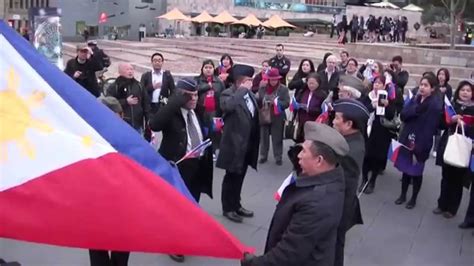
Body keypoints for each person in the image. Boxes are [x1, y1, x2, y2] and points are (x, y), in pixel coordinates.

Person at [241, 122, 349, 266]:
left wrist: (255, 263)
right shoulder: (330, 177)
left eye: (303, 151)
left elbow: (289, 252)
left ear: (319, 161)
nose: (299, 155)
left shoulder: (317, 201)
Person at [89, 96, 130, 266]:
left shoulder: (130, 136)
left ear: (121, 114)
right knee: (97, 244)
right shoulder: (87, 135)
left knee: (122, 244)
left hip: (123, 199)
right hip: (96, 199)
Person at [216, 64, 260, 224]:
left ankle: (237, 204)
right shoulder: (228, 93)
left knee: (240, 176)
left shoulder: (250, 95)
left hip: (247, 143)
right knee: (231, 177)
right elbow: (227, 107)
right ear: (240, 82)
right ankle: (228, 208)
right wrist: (242, 90)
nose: (251, 82)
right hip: (234, 143)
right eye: (249, 80)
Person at [394, 74, 443, 209]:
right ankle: (403, 194)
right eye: (421, 84)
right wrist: (415, 110)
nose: (422, 87)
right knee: (405, 170)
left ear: (432, 89)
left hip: (421, 143)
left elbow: (430, 128)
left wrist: (418, 147)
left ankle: (413, 198)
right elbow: (404, 115)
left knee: (416, 172)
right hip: (407, 137)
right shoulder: (415, 98)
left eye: (426, 85)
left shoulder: (435, 105)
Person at [332, 99, 370, 266]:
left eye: (337, 118)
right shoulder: (349, 139)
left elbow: (337, 183)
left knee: (334, 245)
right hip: (339, 204)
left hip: (338, 207)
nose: (333, 121)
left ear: (348, 124)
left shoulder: (349, 151)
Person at [434, 80, 474, 219]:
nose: (465, 93)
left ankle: (452, 208)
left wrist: (465, 126)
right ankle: (441, 204)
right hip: (449, 144)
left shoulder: (473, 110)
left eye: (468, 90)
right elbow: (440, 124)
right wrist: (450, 120)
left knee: (457, 180)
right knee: (445, 177)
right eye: (463, 90)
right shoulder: (451, 106)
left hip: (463, 147)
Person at [360, 74, 403, 194]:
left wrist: (387, 105)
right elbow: (363, 109)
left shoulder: (389, 98)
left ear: (384, 85)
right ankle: (364, 180)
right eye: (375, 83)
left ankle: (372, 181)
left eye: (379, 83)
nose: (376, 85)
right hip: (368, 129)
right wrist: (371, 105)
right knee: (366, 156)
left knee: (377, 157)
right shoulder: (368, 96)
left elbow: (391, 115)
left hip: (381, 131)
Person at [257, 68, 290, 165]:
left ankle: (278, 157)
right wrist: (263, 101)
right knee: (264, 137)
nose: (273, 81)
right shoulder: (262, 88)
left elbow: (287, 103)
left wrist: (276, 103)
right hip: (264, 114)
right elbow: (258, 100)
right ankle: (263, 156)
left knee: (277, 137)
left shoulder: (283, 89)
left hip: (277, 116)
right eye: (271, 79)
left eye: (275, 79)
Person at [107, 63, 150, 133]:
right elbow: (109, 103)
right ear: (120, 72)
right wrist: (125, 102)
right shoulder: (114, 86)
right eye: (127, 69)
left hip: (137, 125)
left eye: (131, 69)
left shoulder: (139, 86)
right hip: (121, 124)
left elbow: (146, 104)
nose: (130, 71)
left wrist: (148, 120)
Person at [195, 59, 226, 155]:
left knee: (215, 132)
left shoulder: (219, 82)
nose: (208, 70)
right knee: (202, 131)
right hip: (201, 111)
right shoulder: (197, 80)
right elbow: (195, 90)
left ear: (213, 69)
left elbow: (223, 95)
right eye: (206, 67)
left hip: (215, 112)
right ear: (202, 69)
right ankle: (202, 150)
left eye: (210, 67)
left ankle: (212, 151)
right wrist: (207, 87)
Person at [295, 72, 327, 142]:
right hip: (302, 122)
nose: (311, 85)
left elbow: (323, 111)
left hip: (314, 123)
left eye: (313, 83)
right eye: (309, 83)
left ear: (318, 83)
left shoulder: (322, 95)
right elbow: (296, 101)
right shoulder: (303, 92)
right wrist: (297, 105)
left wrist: (309, 109)